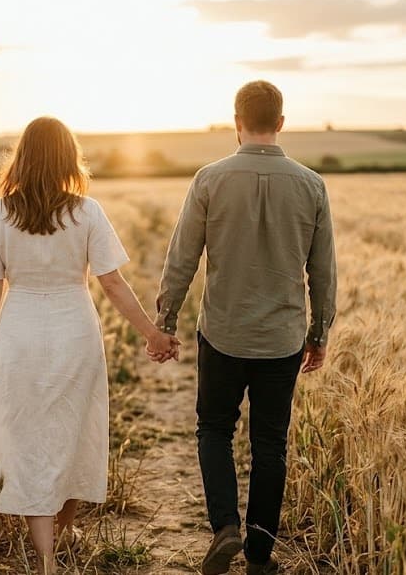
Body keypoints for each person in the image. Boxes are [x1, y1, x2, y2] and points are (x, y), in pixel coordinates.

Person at [0, 116, 180, 575]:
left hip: (20, 332)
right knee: (74, 431)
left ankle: (46, 558)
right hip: (75, 331)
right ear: (69, 157)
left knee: (26, 440)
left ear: (21, 157)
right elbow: (113, 283)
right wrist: (152, 334)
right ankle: (60, 534)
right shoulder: (88, 211)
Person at [153, 81, 337, 575]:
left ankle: (224, 528)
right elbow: (322, 272)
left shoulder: (209, 179)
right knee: (270, 442)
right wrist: (319, 334)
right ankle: (258, 554)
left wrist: (166, 320)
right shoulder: (311, 184)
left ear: (236, 121)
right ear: (281, 122)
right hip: (282, 339)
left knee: (214, 429)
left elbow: (182, 258)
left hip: (223, 334)